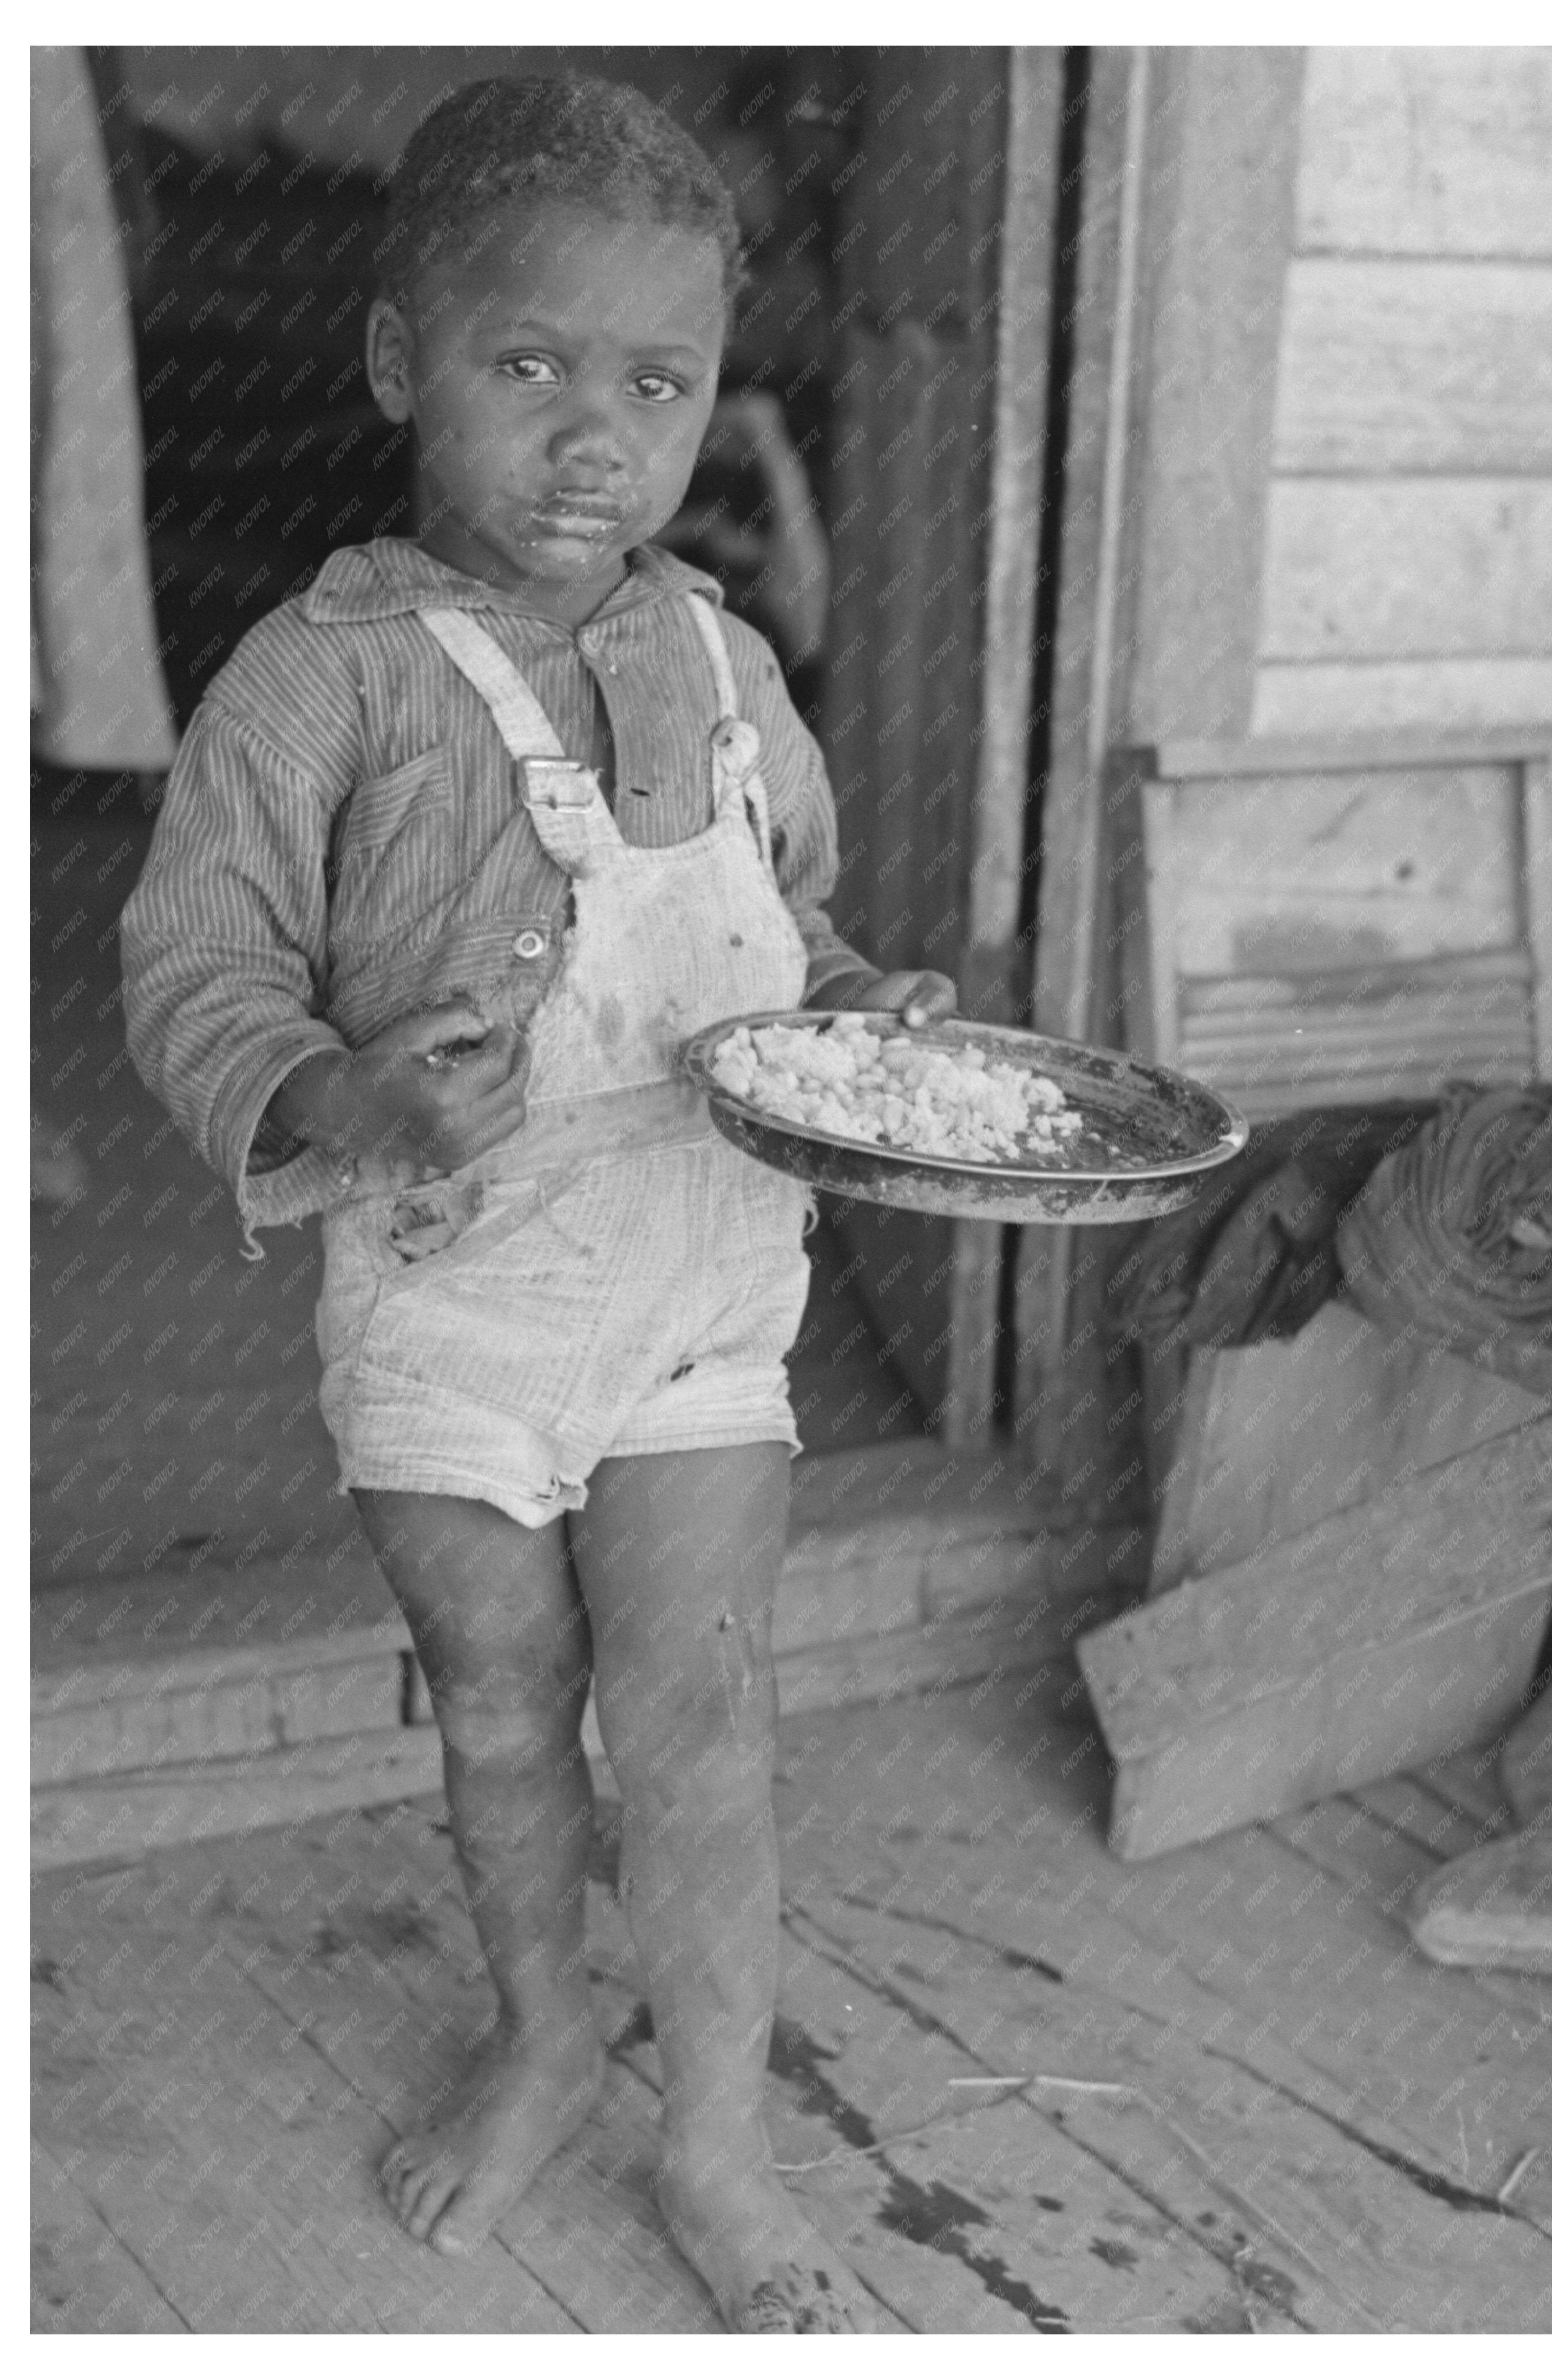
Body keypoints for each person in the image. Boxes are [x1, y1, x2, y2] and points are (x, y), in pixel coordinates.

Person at [121, 72, 955, 2333]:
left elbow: (789, 948)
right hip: (450, 1295)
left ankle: (711, 2140)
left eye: (657, 384)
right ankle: (545, 2028)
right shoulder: (313, 688)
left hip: (695, 1284)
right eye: (531, 371)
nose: (599, 438)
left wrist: (886, 1024)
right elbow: (185, 976)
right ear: (404, 365)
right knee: (503, 1695)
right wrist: (342, 1092)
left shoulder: (730, 668)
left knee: (695, 1703)